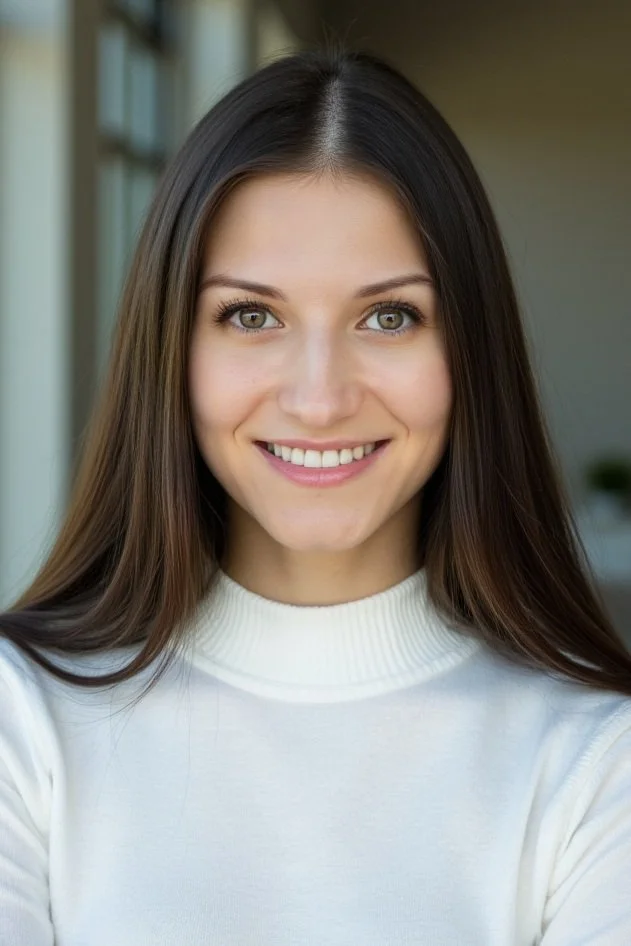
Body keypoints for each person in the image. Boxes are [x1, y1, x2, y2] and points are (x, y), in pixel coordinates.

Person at [1, 47, 630, 945]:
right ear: (170, 353)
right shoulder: (22, 722)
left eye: (389, 316)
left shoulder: (598, 766)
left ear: (470, 354)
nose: (320, 397)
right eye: (251, 316)